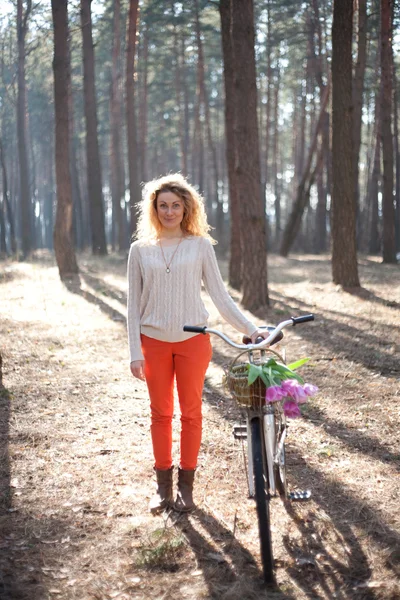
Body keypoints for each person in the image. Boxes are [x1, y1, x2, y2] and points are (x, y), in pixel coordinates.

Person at [127, 173, 269, 514]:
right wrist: (135, 352)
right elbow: (132, 306)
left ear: (186, 208)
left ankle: (186, 489)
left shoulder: (200, 245)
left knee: (191, 414)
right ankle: (163, 490)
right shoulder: (140, 250)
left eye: (176, 205)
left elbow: (220, 296)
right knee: (161, 414)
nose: (170, 211)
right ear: (154, 209)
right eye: (163, 206)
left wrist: (251, 329)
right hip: (153, 343)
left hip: (193, 342)